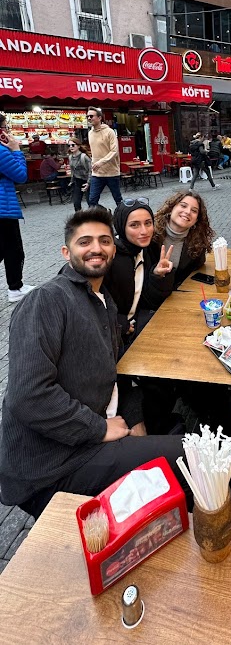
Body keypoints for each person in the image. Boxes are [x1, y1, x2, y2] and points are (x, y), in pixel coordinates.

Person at [0, 207, 188, 520]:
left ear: (114, 249)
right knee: (197, 456)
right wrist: (99, 428)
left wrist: (134, 419)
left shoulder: (103, 303)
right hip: (54, 466)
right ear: (66, 252)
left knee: (170, 416)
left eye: (104, 240)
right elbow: (29, 396)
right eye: (84, 242)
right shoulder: (47, 300)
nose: (96, 248)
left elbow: (116, 375)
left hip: (96, 432)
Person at [104, 198, 177, 340]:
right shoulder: (109, 257)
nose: (144, 231)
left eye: (148, 223)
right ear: (121, 227)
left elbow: (148, 300)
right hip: (113, 337)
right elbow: (92, 302)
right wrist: (120, 324)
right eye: (134, 225)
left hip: (139, 324)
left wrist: (157, 276)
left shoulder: (148, 249)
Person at [0, 112, 35, 304]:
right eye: (5, 127)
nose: (7, 131)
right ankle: (15, 287)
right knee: (13, 251)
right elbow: (21, 175)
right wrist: (16, 150)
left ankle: (16, 286)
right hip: (3, 208)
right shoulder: (1, 151)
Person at [153, 190, 214, 289]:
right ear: (171, 208)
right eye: (183, 206)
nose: (188, 212)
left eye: (194, 211)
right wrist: (156, 274)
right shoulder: (151, 235)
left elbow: (197, 267)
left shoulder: (197, 242)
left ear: (196, 220)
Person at [87, 106, 122, 206]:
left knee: (118, 199)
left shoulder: (109, 132)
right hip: (97, 173)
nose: (89, 118)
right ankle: (103, 213)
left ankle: (122, 215)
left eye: (91, 116)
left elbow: (114, 151)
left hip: (111, 172)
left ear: (99, 118)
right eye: (87, 116)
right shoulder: (90, 133)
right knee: (92, 200)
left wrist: (100, 162)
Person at [68, 137, 91, 211]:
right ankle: (80, 217)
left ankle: (103, 212)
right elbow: (72, 170)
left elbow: (90, 170)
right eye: (69, 145)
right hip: (77, 181)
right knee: (76, 203)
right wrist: (71, 181)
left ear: (78, 146)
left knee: (91, 202)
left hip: (86, 181)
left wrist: (88, 183)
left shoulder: (84, 157)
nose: (71, 147)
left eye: (73, 145)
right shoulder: (70, 157)